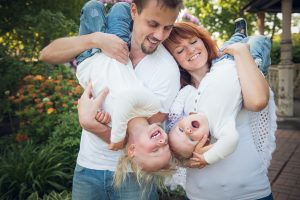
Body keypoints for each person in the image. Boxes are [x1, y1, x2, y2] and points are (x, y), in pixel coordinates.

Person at [39, 0, 182, 199]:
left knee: (94, 9)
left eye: (168, 28)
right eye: (152, 24)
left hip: (134, 176)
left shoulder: (167, 70)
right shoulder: (113, 37)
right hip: (88, 166)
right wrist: (95, 40)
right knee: (100, 8)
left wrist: (95, 124)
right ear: (135, 11)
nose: (159, 36)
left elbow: (136, 132)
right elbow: (46, 54)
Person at [163, 21, 275, 200]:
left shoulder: (233, 71)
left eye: (193, 42)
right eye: (180, 50)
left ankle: (239, 36)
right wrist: (186, 157)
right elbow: (172, 144)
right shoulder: (179, 94)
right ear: (173, 60)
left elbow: (257, 101)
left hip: (251, 192)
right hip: (201, 195)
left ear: (203, 41)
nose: (190, 50)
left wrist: (241, 51)